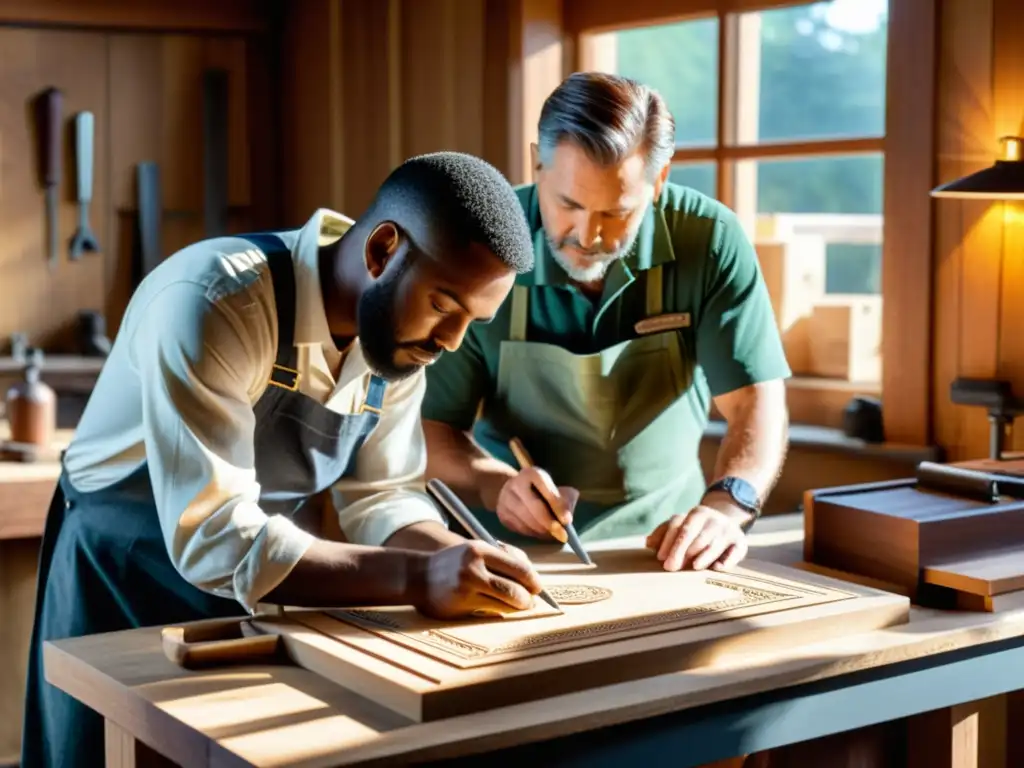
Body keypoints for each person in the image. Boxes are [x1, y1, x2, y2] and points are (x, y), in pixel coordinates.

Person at [22, 151, 544, 768]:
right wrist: (415, 578)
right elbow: (215, 536)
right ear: (381, 252)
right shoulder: (215, 301)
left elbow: (382, 495)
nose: (451, 341)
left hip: (258, 580)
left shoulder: (397, 343)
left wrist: (454, 557)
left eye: (471, 322)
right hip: (117, 570)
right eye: (444, 305)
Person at [421, 73, 791, 573]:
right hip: (506, 550)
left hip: (666, 549)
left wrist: (727, 506)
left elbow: (754, 401)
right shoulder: (485, 248)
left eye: (616, 213)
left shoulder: (709, 239)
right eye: (568, 204)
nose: (588, 236)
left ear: (658, 183)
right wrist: (497, 484)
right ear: (538, 164)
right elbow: (432, 426)